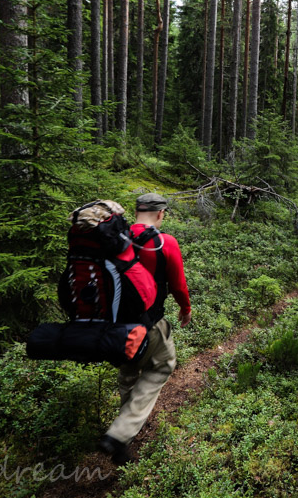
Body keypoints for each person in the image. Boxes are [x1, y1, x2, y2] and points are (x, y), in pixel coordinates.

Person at [98, 193, 191, 465]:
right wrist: (185, 309)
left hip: (116, 327)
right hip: (150, 325)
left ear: (136, 212)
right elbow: (178, 285)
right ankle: (119, 434)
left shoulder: (117, 239)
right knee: (163, 364)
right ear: (160, 214)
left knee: (128, 374)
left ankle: (121, 443)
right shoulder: (165, 242)